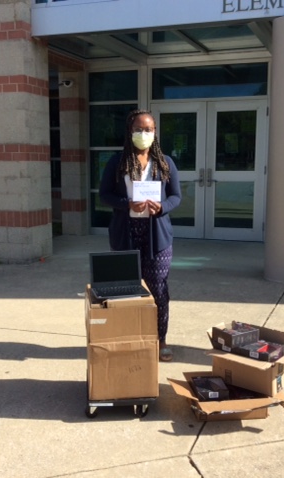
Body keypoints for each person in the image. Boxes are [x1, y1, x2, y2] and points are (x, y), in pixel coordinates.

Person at [99, 109, 181, 362]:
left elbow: (175, 196)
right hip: (126, 234)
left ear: (155, 133)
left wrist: (162, 207)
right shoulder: (117, 162)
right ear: (129, 131)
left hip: (157, 236)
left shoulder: (165, 162)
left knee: (158, 290)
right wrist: (126, 204)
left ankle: (161, 339)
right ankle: (132, 338)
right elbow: (105, 195)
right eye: (138, 129)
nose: (143, 134)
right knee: (128, 291)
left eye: (148, 129)